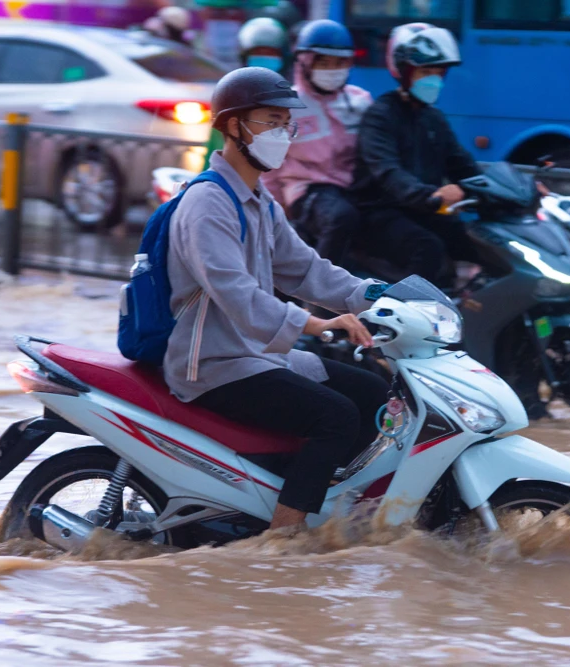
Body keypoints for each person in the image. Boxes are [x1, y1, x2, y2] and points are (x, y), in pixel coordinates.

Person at [165, 67, 389, 531]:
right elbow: (236, 293)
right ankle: (283, 542)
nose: (283, 133)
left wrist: (378, 296)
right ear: (232, 126)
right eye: (270, 120)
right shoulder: (208, 203)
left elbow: (305, 269)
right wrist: (319, 325)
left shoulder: (258, 199)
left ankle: (313, 498)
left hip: (255, 355)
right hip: (213, 364)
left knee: (375, 396)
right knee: (336, 416)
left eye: (287, 123)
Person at [350, 23, 481, 287]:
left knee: (479, 242)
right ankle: (417, 321)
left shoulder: (434, 119)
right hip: (380, 214)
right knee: (427, 248)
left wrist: (515, 187)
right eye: (425, 71)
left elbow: (463, 165)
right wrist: (430, 195)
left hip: (423, 210)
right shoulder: (380, 115)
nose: (433, 79)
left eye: (439, 72)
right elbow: (388, 173)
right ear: (404, 72)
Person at [261, 19, 372, 269]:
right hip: (306, 192)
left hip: (354, 190)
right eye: (324, 62)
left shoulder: (360, 101)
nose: (333, 70)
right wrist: (278, 212)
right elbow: (269, 166)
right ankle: (319, 300)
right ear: (305, 63)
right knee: (341, 218)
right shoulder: (287, 105)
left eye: (340, 63)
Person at [201, 17, 290, 171]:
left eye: (271, 53)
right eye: (258, 52)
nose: (265, 57)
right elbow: (215, 149)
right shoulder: (230, 97)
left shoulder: (289, 99)